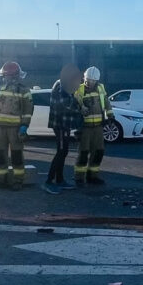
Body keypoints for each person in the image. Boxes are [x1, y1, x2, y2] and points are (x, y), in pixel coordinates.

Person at [0, 61, 33, 191]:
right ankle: (0, 180)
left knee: (16, 155)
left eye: (5, 76)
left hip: (15, 128)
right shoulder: (2, 89)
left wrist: (24, 125)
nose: (3, 78)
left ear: (12, 76)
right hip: (1, 127)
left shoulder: (24, 90)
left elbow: (28, 111)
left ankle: (18, 181)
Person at [73, 66, 115, 186]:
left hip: (98, 127)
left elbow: (106, 102)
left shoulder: (100, 88)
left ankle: (93, 176)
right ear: (84, 78)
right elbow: (74, 106)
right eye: (88, 80)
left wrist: (110, 115)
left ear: (96, 80)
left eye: (92, 80)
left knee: (98, 152)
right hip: (85, 127)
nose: (89, 82)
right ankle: (79, 177)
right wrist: (81, 108)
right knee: (84, 153)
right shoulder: (79, 90)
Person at [44, 66, 83, 194]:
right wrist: (80, 109)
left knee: (64, 151)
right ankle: (49, 181)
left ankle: (60, 180)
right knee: (61, 152)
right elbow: (64, 104)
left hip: (64, 125)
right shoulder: (61, 86)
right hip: (60, 125)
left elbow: (71, 101)